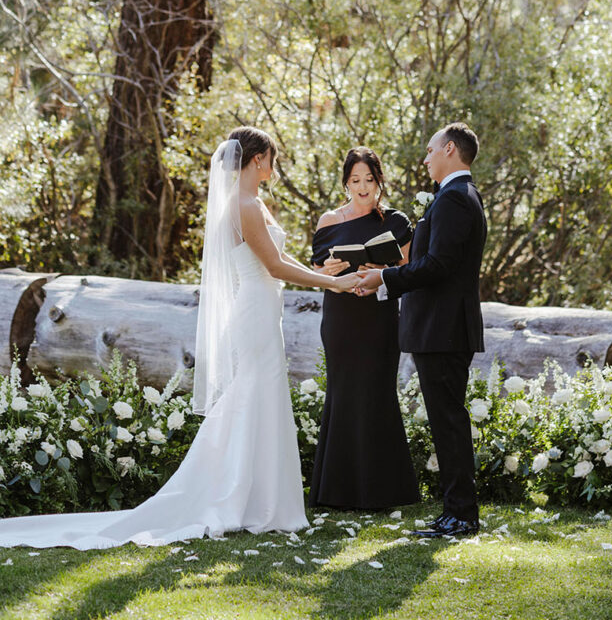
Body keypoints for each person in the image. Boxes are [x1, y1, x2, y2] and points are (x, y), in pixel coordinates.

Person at [0, 126, 355, 550]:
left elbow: (275, 257)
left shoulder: (252, 203)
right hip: (255, 312)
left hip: (263, 309)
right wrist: (330, 285)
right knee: (253, 394)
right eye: (271, 158)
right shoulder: (244, 205)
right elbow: (275, 268)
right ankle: (238, 497)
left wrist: (323, 273)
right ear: (258, 159)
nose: (273, 165)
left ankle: (260, 499)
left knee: (260, 396)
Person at [355, 123, 487, 538]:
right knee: (446, 420)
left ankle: (462, 516)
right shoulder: (458, 196)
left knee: (448, 422)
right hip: (442, 328)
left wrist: (386, 279)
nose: (426, 158)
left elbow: (438, 266)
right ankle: (455, 512)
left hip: (443, 330)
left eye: (430, 151)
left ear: (450, 149)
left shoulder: (454, 199)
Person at [308, 147, 419, 510]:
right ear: (345, 183)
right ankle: (335, 491)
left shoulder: (397, 221)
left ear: (379, 181)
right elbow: (318, 275)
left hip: (379, 317)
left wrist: (373, 274)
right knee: (342, 395)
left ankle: (384, 491)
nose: (363, 187)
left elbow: (407, 270)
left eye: (369, 180)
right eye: (355, 180)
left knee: (377, 395)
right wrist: (336, 275)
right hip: (341, 317)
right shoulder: (328, 221)